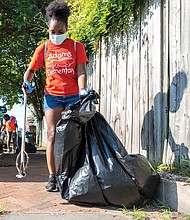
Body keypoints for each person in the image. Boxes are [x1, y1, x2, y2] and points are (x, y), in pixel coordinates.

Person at [23, 0, 88, 192]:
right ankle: (52, 177)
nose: (56, 35)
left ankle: (71, 173)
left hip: (73, 96)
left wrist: (83, 91)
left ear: (66, 28)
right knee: (52, 134)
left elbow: (82, 71)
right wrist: (26, 82)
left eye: (60, 32)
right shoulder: (43, 49)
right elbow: (31, 70)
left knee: (72, 137)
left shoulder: (77, 47)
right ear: (48, 29)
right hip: (52, 96)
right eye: (53, 32)